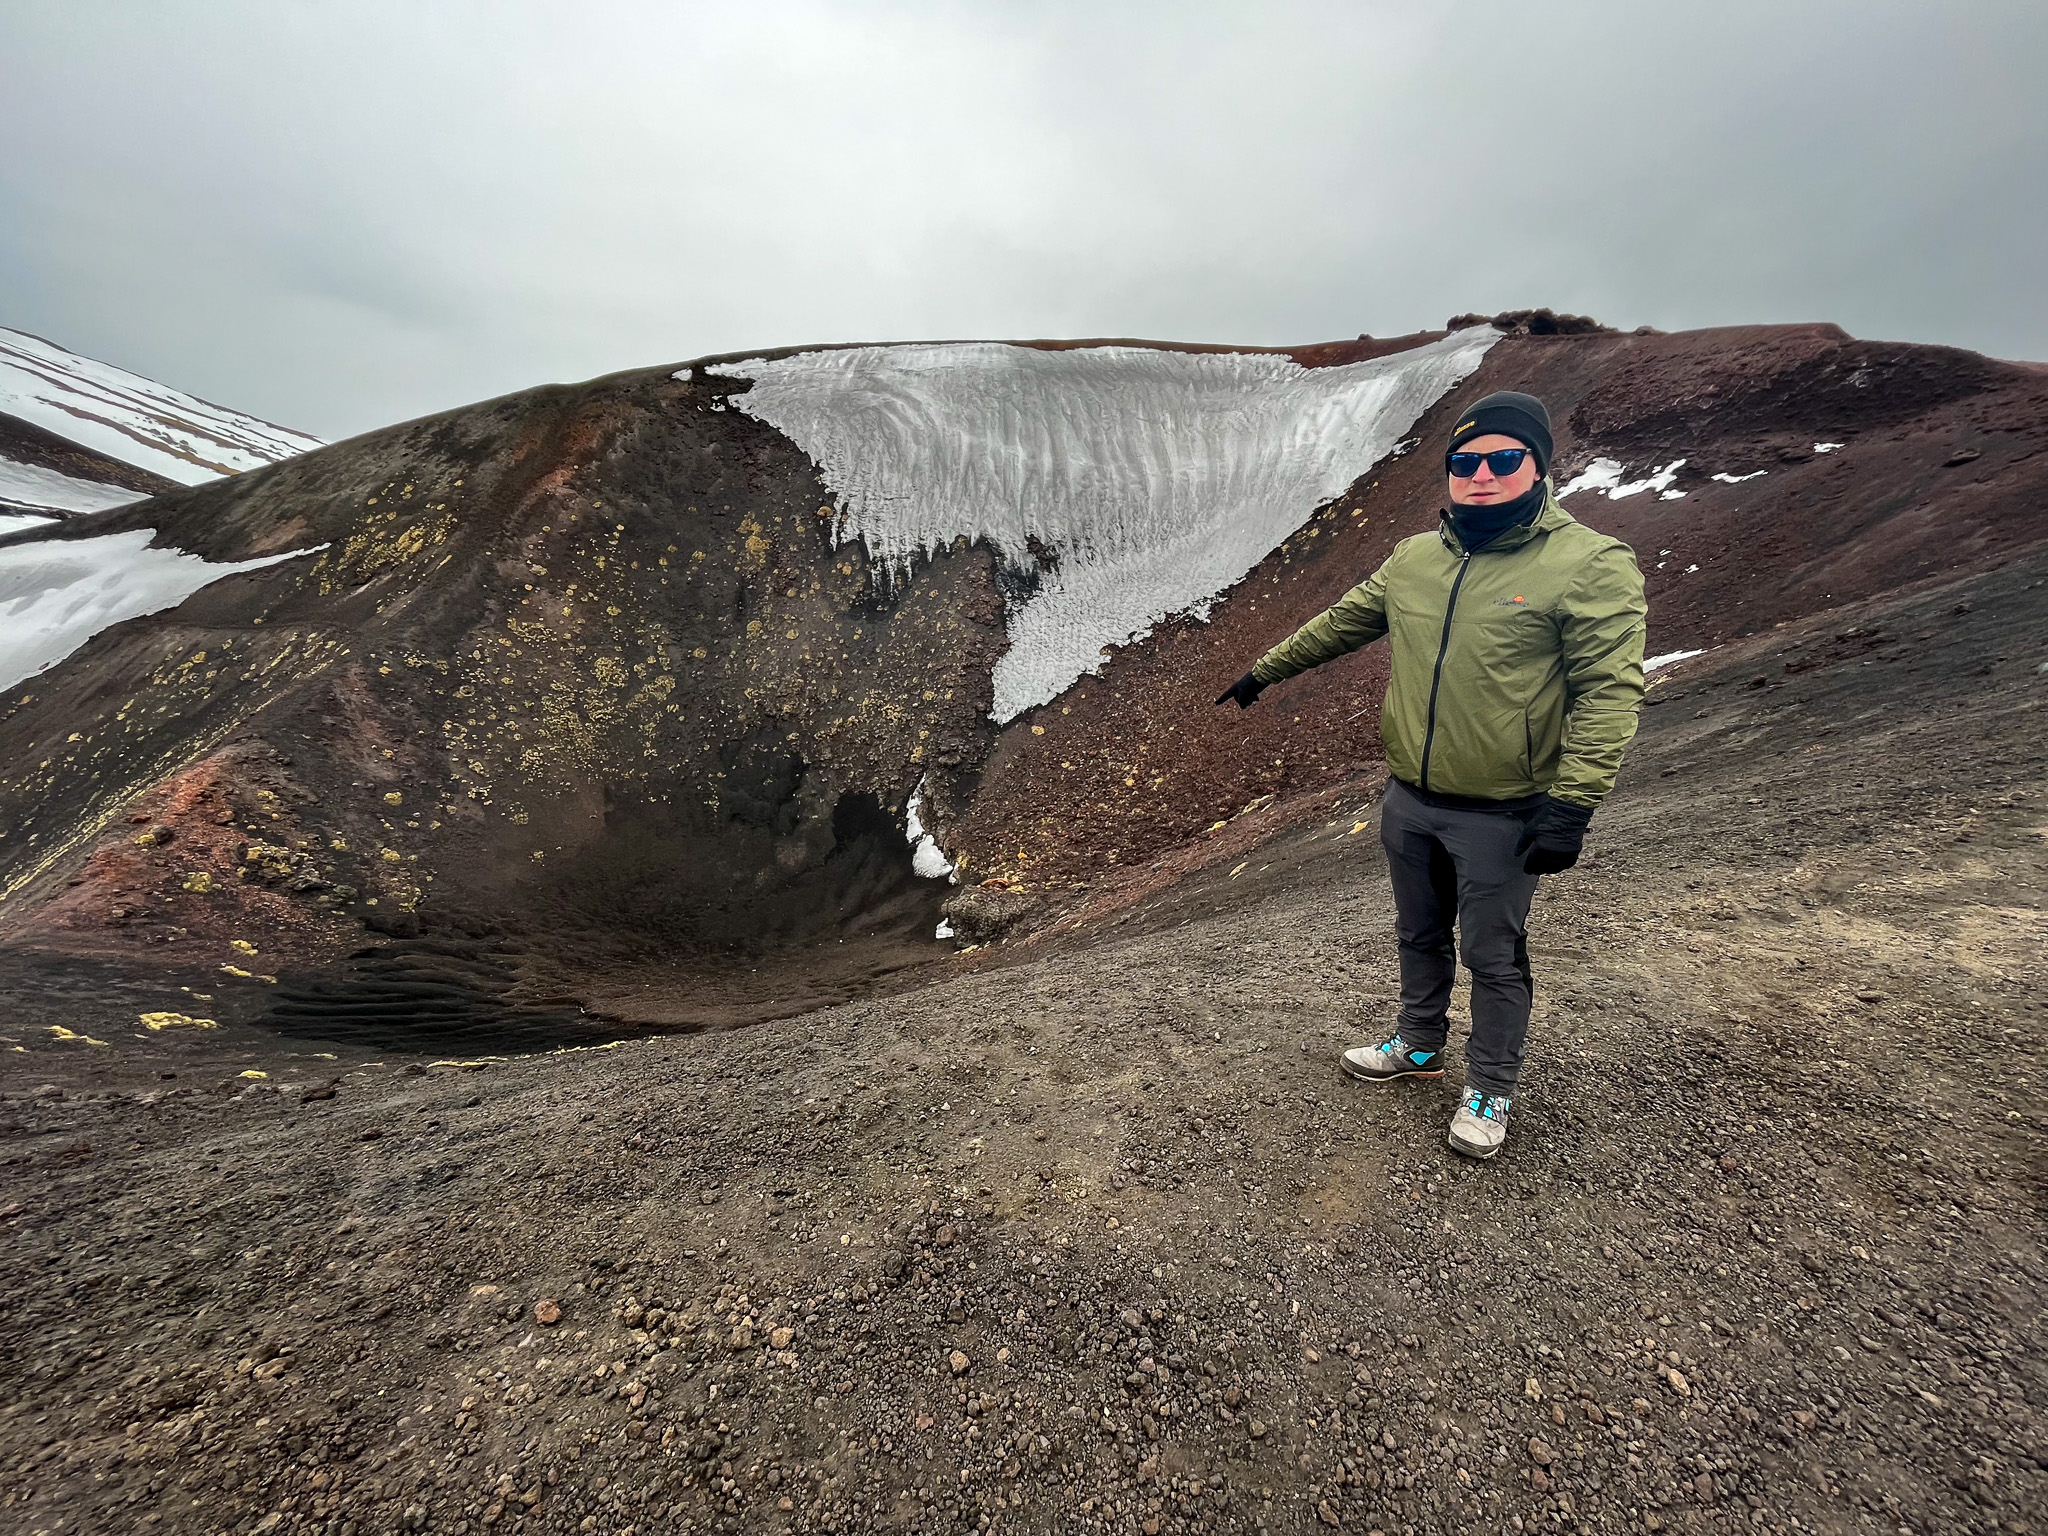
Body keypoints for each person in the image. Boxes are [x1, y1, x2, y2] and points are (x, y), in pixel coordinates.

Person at [1215, 391, 1646, 1159]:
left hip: (1504, 812)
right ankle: (1420, 1044)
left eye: (1503, 459)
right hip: (1410, 797)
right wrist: (1263, 672)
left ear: (1539, 466)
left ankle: (1491, 1086)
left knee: (1493, 953)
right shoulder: (1417, 559)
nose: (1481, 474)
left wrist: (1573, 804)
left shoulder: (1588, 564)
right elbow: (1344, 620)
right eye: (1465, 462)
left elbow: (1610, 691)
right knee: (1417, 932)